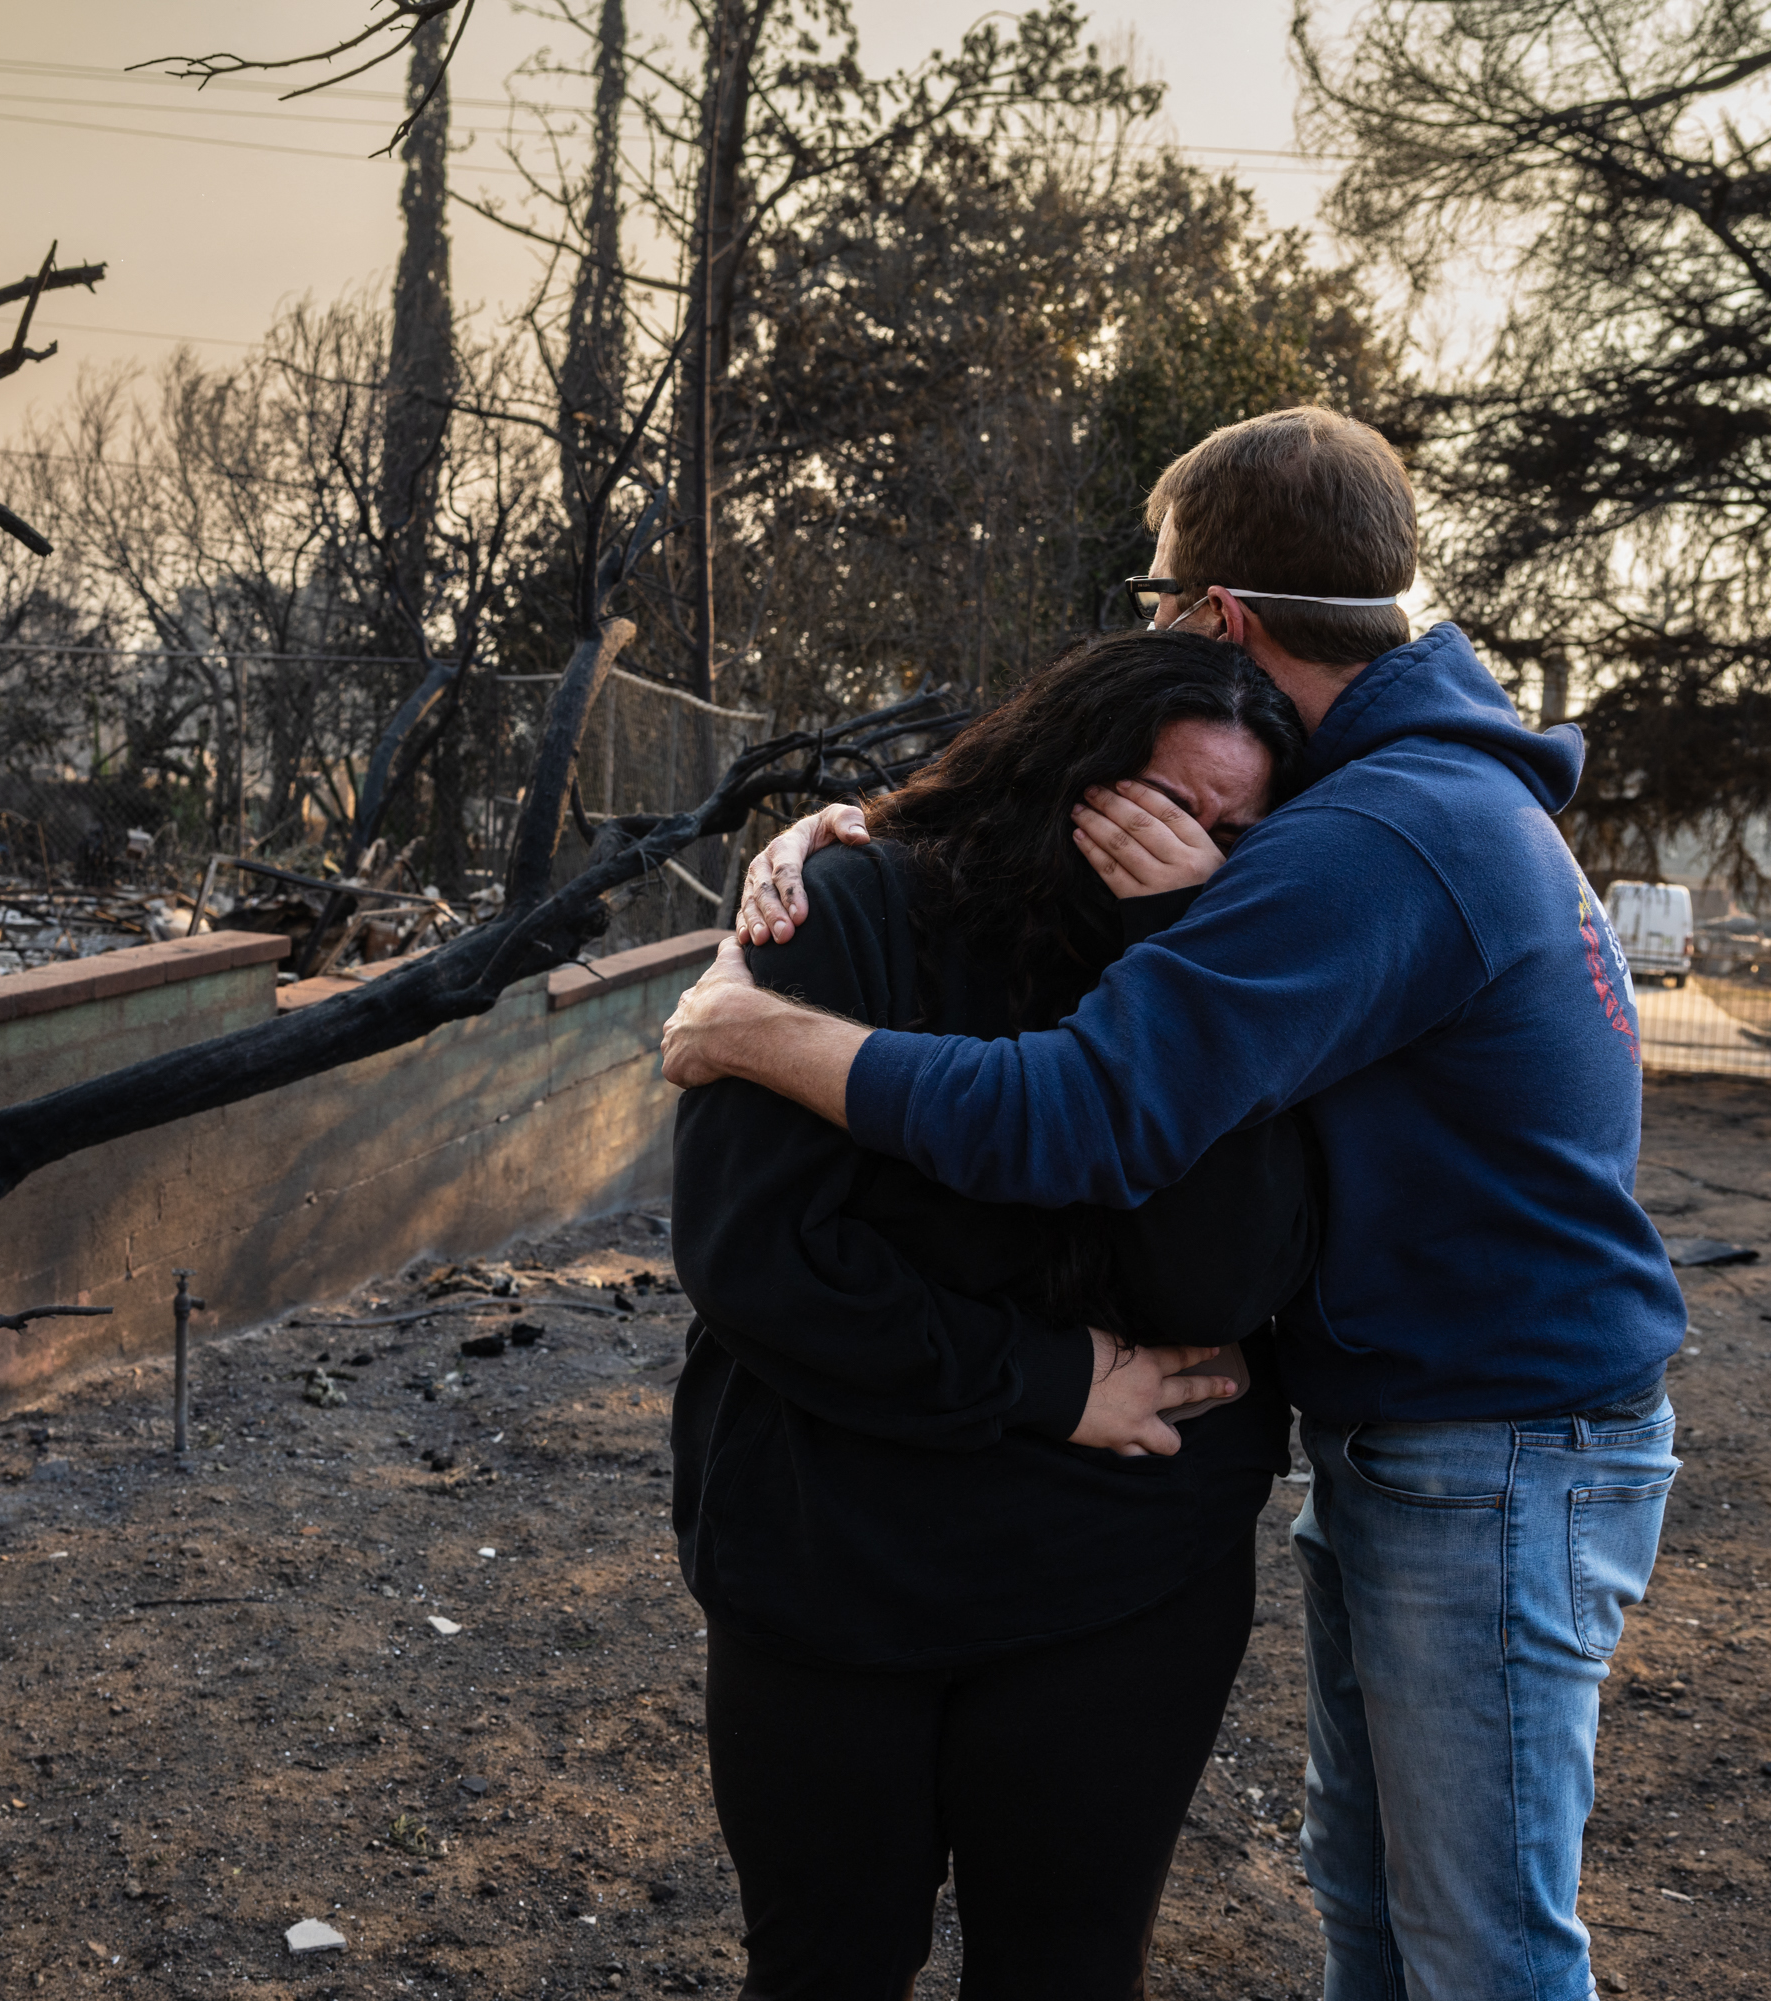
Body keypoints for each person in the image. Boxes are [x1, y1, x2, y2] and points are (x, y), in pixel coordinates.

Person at [663, 406, 1686, 2001]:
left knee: (1479, 1947)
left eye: (1155, 606)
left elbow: (1081, 1113)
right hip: (1452, 1432)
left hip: (1494, 1447)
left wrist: (753, 1029)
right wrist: (854, 828)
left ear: (1217, 615)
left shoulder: (1374, 834)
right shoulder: (1408, 793)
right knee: (1388, 1904)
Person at [673, 628, 1317, 1999]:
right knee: (824, 1966)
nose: (1184, 845)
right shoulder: (849, 909)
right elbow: (757, 1258)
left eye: (1230, 829)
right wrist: (1046, 1377)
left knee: (1067, 1973)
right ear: (1064, 770)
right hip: (835, 1557)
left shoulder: (1233, 962)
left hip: (1122, 1575)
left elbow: (1213, 1284)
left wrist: (1177, 942)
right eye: (1155, 806)